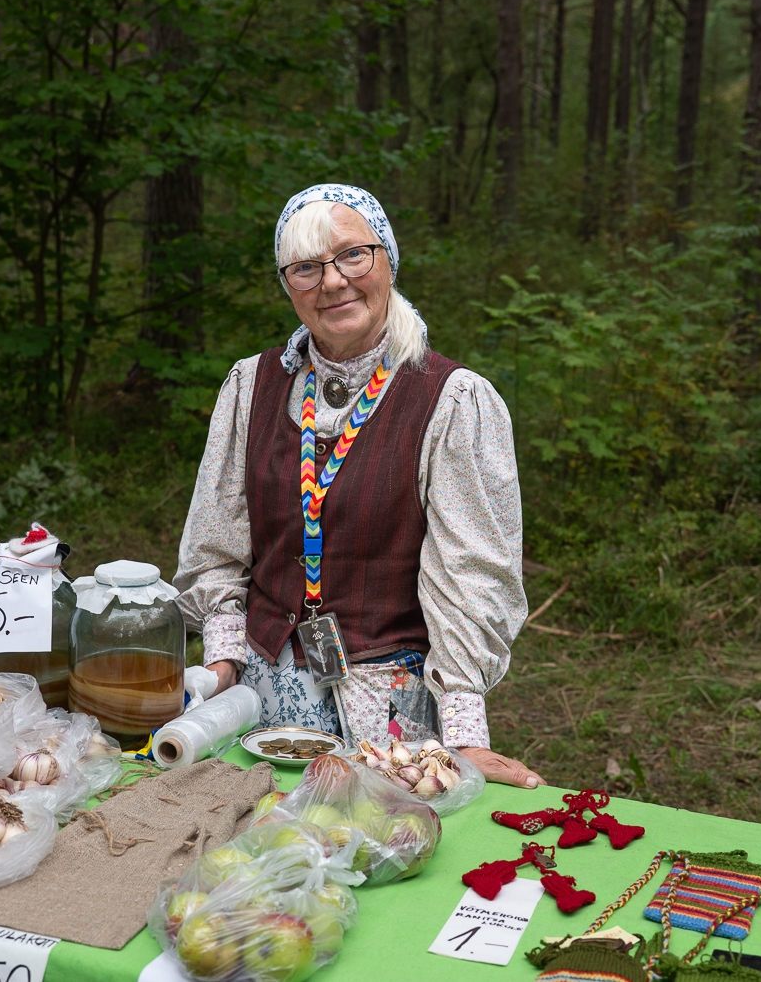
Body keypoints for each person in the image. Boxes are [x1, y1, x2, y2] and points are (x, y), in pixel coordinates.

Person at [173, 184, 544, 788]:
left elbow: (473, 579)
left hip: (385, 716)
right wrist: (222, 664)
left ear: (388, 261)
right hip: (254, 704)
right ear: (288, 286)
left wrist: (465, 734)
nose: (333, 281)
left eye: (353, 255)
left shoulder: (452, 401)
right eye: (306, 268)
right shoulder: (250, 386)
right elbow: (216, 547)